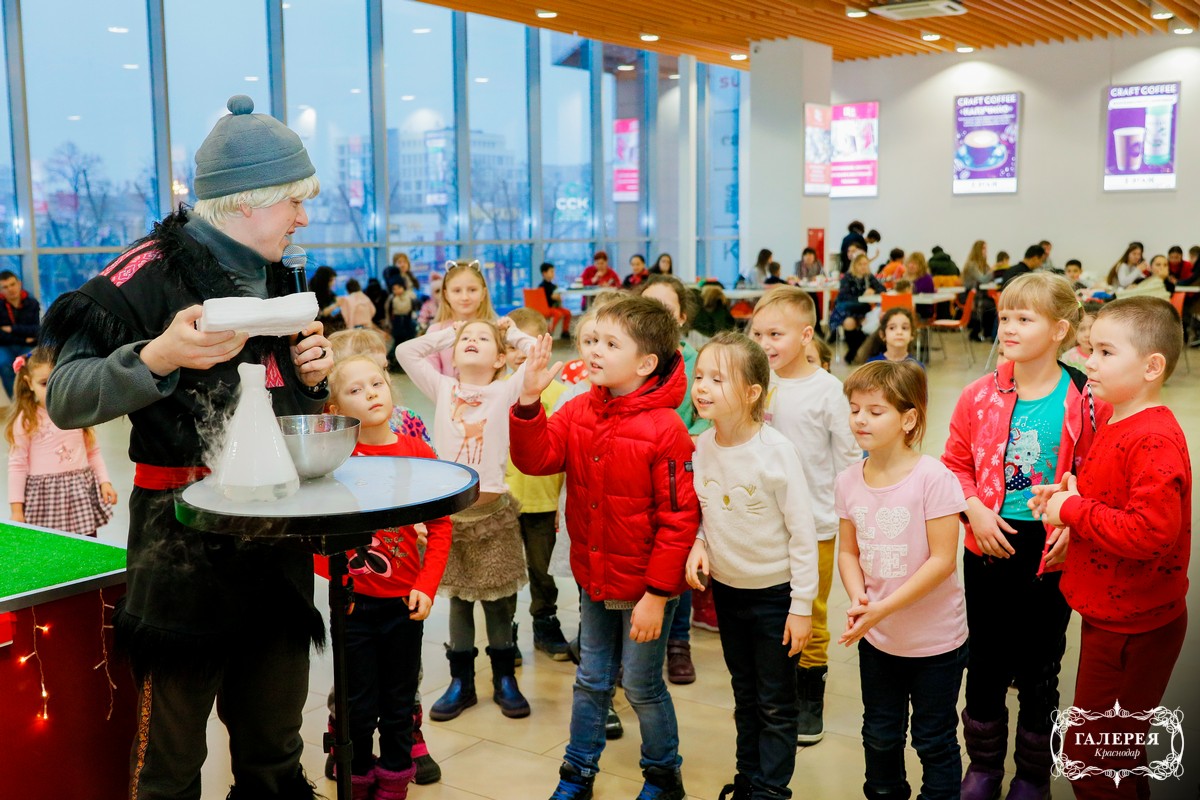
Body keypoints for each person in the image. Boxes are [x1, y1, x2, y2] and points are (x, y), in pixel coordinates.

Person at [38, 95, 333, 799]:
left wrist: (311, 380)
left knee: (274, 751)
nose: (303, 218)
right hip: (179, 554)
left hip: (276, 547)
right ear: (246, 200)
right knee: (168, 766)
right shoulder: (140, 276)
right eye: (295, 201)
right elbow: (65, 396)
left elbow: (277, 404)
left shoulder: (279, 272)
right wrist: (159, 356)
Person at [510, 297, 700, 800]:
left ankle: (663, 777)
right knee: (592, 679)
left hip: (646, 589)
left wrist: (658, 594)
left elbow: (679, 520)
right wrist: (528, 402)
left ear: (645, 363)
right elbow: (537, 460)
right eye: (592, 340)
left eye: (611, 344)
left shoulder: (666, 429)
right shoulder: (578, 409)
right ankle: (577, 774)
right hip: (595, 577)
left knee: (641, 686)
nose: (593, 350)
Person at [941, 273, 1109, 800]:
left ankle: (1033, 774)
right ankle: (984, 767)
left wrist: (1075, 525)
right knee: (985, 658)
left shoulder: (1087, 398)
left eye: (1024, 318)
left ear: (1060, 330)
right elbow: (955, 464)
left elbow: (1099, 476)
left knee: (1041, 664)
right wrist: (973, 509)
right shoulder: (977, 395)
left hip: (1053, 546)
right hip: (989, 541)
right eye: (1005, 317)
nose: (1008, 328)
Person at [1029, 297, 1190, 800]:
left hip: (1135, 628)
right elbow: (1115, 502)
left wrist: (1074, 511)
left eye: (1104, 352)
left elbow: (1150, 532)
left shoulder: (1152, 439)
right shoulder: (1119, 419)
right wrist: (1072, 504)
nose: (1088, 362)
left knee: (1096, 764)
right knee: (1111, 755)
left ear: (1151, 366)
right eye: (1089, 349)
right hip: (1113, 617)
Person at [685, 331, 818, 800]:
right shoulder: (702, 446)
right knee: (744, 694)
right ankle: (749, 780)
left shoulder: (775, 451)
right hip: (727, 590)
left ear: (752, 392)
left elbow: (803, 534)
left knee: (776, 702)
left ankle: (771, 790)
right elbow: (707, 510)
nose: (702, 387)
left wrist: (801, 607)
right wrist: (699, 542)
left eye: (718, 379)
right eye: (700, 376)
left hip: (776, 596)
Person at [316, 355, 453, 800]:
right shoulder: (335, 460)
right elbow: (314, 531)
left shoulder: (417, 452)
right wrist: (338, 581)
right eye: (355, 390)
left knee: (399, 704)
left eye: (376, 383)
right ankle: (356, 778)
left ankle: (395, 783)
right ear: (335, 408)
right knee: (357, 706)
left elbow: (441, 526)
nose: (371, 394)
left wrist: (426, 586)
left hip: (404, 604)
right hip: (353, 606)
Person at [836, 360, 969, 800]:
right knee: (879, 734)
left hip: (936, 644)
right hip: (879, 639)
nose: (860, 419)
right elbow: (848, 551)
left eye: (875, 411)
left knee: (933, 739)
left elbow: (942, 561)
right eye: (855, 409)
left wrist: (882, 608)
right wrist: (860, 599)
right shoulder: (848, 480)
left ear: (908, 419)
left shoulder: (933, 478)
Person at [395, 318, 535, 721]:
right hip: (451, 519)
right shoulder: (443, 388)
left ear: (500, 358)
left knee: (498, 602)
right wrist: (449, 333)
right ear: (453, 356)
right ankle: (462, 681)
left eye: (483, 338)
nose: (472, 341)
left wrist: (511, 334)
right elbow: (406, 352)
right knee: (458, 601)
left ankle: (505, 676)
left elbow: (535, 355)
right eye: (466, 339)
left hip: (493, 516)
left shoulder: (504, 390)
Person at [749, 288, 860, 746]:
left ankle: (809, 695)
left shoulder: (829, 390)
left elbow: (849, 460)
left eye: (775, 334)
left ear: (806, 335)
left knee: (809, 608)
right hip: (764, 520)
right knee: (772, 608)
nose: (764, 343)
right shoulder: (757, 382)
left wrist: (853, 520)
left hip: (815, 524)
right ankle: (776, 690)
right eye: (757, 334)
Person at [640, 275, 710, 680]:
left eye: (665, 308)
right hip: (636, 472)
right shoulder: (629, 356)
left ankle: (678, 643)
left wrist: (683, 440)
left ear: (682, 316)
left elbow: (707, 418)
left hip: (679, 470)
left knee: (678, 555)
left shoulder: (697, 360)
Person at [503, 308, 571, 661]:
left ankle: (545, 621)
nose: (520, 354)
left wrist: (562, 501)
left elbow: (568, 451)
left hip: (544, 500)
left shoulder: (560, 393)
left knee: (542, 570)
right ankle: (506, 630)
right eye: (511, 346)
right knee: (507, 570)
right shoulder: (497, 391)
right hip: (504, 501)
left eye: (526, 345)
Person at [6, 347, 117, 536]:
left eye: (58, 382)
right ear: (29, 383)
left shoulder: (77, 412)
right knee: (49, 546)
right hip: (46, 502)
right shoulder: (26, 420)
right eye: (44, 383)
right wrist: (16, 510)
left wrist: (104, 482)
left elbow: (93, 452)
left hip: (80, 497)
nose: (52, 390)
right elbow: (17, 465)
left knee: (86, 542)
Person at [425, 260, 497, 377]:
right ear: (446, 295)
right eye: (457, 291)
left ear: (483, 293)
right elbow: (430, 377)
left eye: (472, 290)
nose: (465, 297)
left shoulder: (495, 329)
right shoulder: (435, 331)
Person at [831, 254, 886, 362]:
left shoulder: (869, 277)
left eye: (865, 264)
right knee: (849, 323)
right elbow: (844, 296)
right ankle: (853, 352)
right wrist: (862, 296)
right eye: (860, 264)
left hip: (864, 311)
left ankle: (857, 353)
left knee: (872, 323)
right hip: (849, 310)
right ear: (855, 265)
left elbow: (882, 289)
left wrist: (873, 291)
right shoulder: (847, 278)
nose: (863, 267)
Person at [0, 270, 40, 400]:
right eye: (5, 287)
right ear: (1, 290)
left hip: (27, 346)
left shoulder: (32, 303)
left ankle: (31, 401)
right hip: (6, 345)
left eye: (12, 284)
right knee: (4, 365)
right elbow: (1, 335)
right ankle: (17, 402)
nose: (10, 289)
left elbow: (35, 330)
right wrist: (23, 338)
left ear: (19, 284)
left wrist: (11, 329)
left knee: (29, 365)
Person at [538, 262, 572, 340]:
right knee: (558, 314)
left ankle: (565, 331)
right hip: (547, 308)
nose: (553, 273)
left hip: (554, 307)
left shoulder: (553, 286)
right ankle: (550, 331)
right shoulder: (542, 286)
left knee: (567, 312)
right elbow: (552, 297)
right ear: (544, 273)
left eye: (553, 271)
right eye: (551, 271)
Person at [386, 280, 418, 354]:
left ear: (403, 287)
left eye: (399, 288)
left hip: (408, 323)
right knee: (398, 343)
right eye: (394, 289)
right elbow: (388, 312)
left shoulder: (410, 296)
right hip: (397, 324)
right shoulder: (391, 299)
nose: (397, 290)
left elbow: (414, 310)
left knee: (409, 342)